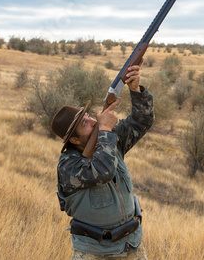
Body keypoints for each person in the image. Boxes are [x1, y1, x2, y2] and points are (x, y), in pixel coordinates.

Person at [51, 65, 154, 259]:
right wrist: (105, 129)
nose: (93, 121)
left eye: (89, 116)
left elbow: (142, 122)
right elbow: (103, 170)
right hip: (94, 253)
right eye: (85, 123)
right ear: (73, 140)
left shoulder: (108, 141)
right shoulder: (68, 167)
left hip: (131, 246)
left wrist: (135, 90)